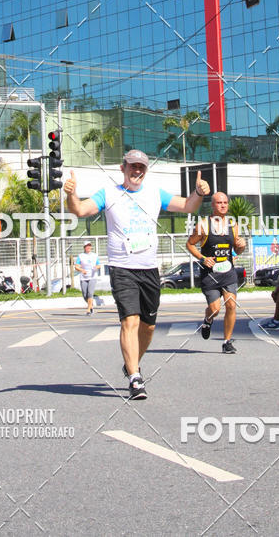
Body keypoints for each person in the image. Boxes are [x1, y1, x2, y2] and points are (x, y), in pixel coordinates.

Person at [65, 149, 210, 399]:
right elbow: (79, 210)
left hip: (149, 269)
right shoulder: (108, 193)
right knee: (129, 321)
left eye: (141, 167)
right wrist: (71, 194)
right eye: (132, 166)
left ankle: (131, 363)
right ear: (123, 168)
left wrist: (198, 192)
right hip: (122, 268)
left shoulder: (155, 193)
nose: (137, 171)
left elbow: (188, 206)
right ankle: (135, 377)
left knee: (148, 327)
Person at [186, 192, 246, 354]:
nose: (223, 205)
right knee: (215, 309)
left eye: (225, 202)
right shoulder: (203, 225)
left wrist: (242, 245)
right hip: (210, 275)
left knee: (231, 305)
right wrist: (202, 258)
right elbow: (190, 244)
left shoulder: (233, 225)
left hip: (228, 273)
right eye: (219, 202)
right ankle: (208, 320)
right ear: (212, 205)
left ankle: (227, 342)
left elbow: (237, 250)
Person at [74, 241, 101, 314]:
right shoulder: (81, 256)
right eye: (87, 246)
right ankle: (90, 305)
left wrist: (96, 267)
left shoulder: (95, 255)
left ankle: (88, 309)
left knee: (90, 293)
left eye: (89, 246)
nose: (88, 247)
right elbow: (76, 266)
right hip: (83, 277)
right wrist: (82, 270)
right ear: (84, 247)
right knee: (85, 294)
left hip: (92, 277)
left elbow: (99, 265)